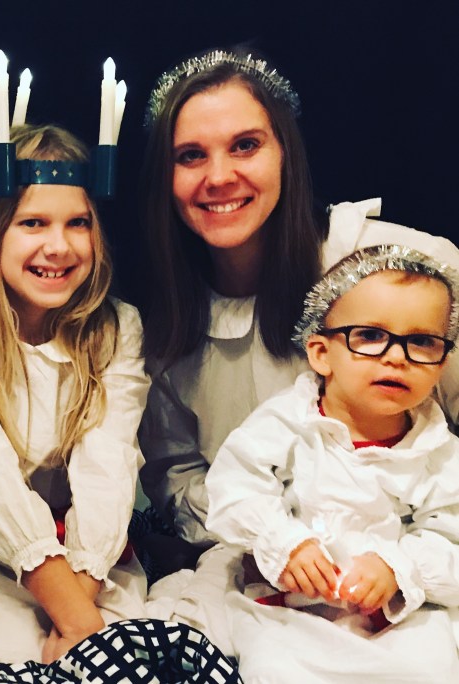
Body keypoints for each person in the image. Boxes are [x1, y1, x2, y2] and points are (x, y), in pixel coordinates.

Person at [137, 46, 459, 652]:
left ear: (286, 152)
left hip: (405, 589)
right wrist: (275, 539)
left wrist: (400, 560)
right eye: (190, 155)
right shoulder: (166, 327)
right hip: (266, 581)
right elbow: (178, 477)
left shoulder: (407, 270)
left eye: (245, 145)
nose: (218, 176)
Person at [0, 124, 151, 665]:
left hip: (92, 561)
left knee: (119, 661)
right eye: (33, 223)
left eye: (78, 223)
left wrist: (80, 604)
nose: (58, 246)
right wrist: (77, 621)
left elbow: (108, 467)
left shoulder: (116, 329)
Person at [204, 245, 459, 682]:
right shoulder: (287, 422)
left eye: (421, 342)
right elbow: (235, 488)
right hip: (291, 606)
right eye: (370, 335)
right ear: (321, 353)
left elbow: (449, 533)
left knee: (430, 666)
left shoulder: (438, 451)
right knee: (274, 668)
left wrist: (398, 567)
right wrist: (286, 543)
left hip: (396, 614)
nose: (397, 356)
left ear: (441, 363)